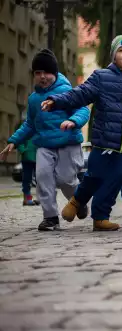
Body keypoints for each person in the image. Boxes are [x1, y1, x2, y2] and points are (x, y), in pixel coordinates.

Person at [44, 36, 122, 231]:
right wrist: (56, 101)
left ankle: (100, 217)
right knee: (95, 175)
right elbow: (80, 93)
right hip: (104, 141)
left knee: (116, 179)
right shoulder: (101, 77)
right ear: (113, 57)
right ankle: (77, 201)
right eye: (121, 50)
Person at [1, 50, 89, 230]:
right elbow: (30, 125)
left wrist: (72, 121)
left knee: (66, 180)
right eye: (37, 73)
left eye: (46, 72)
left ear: (55, 73)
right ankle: (50, 218)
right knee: (42, 178)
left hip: (68, 143)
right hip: (44, 146)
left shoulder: (67, 91)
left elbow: (83, 110)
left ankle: (78, 201)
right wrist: (14, 141)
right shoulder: (34, 100)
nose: (42, 77)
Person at [16, 135, 39, 206]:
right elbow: (18, 139)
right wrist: (23, 150)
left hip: (39, 157)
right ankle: (27, 199)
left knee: (40, 179)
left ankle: (40, 198)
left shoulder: (40, 126)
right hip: (27, 158)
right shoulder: (26, 125)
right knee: (27, 179)